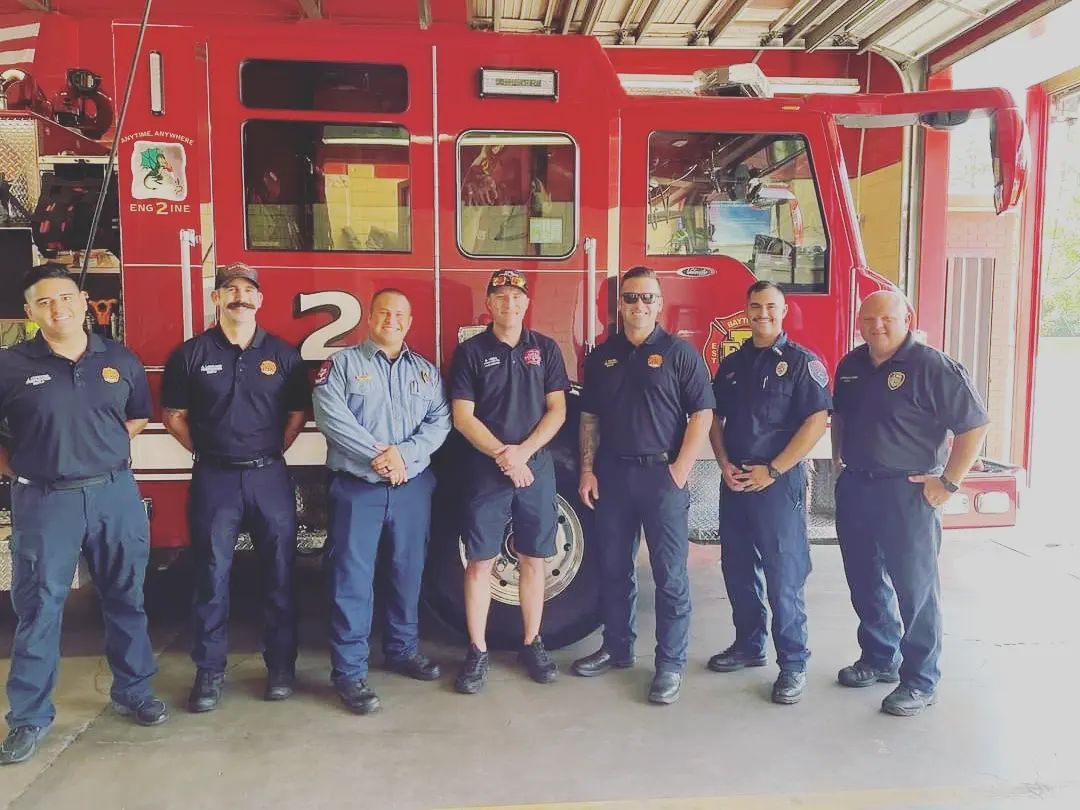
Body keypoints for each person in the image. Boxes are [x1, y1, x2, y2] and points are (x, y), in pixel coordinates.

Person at [0, 264, 168, 766]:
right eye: (45, 302)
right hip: (45, 500)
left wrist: (103, 452)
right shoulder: (9, 365)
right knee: (40, 607)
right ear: (30, 312)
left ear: (84, 301)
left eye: (66, 297)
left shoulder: (118, 359)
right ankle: (28, 718)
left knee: (126, 597)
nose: (59, 308)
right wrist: (27, 469)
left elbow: (137, 415)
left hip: (114, 495)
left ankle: (134, 690)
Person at [832, 289, 989, 716]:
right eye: (867, 320)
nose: (875, 327)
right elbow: (840, 418)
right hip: (858, 488)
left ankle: (920, 679)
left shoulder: (932, 366)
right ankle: (880, 657)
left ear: (907, 318)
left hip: (908, 493)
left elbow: (974, 426)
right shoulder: (851, 366)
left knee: (914, 588)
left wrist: (949, 483)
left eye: (885, 318)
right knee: (864, 580)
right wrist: (840, 464)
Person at [162, 262, 307, 712]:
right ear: (216, 298)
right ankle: (208, 674)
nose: (240, 297)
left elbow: (297, 414)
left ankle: (281, 668)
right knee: (210, 577)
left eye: (248, 290)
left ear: (260, 300)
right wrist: (210, 453)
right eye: (230, 289)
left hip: (269, 478)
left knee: (280, 576)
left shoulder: (284, 355)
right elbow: (173, 417)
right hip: (214, 479)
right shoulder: (189, 354)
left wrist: (267, 454)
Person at [573, 265, 714, 705]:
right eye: (631, 297)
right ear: (620, 305)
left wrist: (681, 469)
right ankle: (617, 649)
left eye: (647, 298)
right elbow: (589, 417)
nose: (639, 305)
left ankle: (669, 665)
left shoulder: (680, 353)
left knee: (670, 576)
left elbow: (702, 414)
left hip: (662, 478)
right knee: (614, 570)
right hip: (613, 475)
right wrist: (588, 469)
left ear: (659, 304)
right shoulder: (602, 356)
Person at [312, 289, 451, 714]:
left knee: (406, 573)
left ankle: (402, 649)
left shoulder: (427, 373)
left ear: (410, 321)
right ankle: (350, 674)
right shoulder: (341, 365)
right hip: (358, 490)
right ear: (369, 317)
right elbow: (331, 417)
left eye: (400, 315)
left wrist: (402, 456)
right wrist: (380, 456)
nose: (392, 320)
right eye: (384, 312)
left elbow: (440, 422)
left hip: (411, 488)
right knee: (352, 581)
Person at [707, 280, 831, 704]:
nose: (763, 314)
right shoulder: (732, 364)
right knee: (737, 568)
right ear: (746, 311)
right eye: (755, 306)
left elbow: (816, 421)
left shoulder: (800, 363)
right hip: (737, 481)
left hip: (777, 484)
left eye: (770, 307)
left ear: (784, 310)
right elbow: (713, 418)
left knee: (784, 575)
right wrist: (723, 463)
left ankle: (793, 664)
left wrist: (775, 470)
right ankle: (749, 644)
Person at [449, 269, 569, 694]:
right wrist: (504, 455)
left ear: (526, 303)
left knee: (534, 558)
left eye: (516, 296)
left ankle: (531, 642)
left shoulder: (547, 349)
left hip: (534, 468)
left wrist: (523, 453)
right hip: (486, 471)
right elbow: (463, 416)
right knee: (479, 561)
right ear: (490, 304)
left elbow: (557, 410)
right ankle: (477, 650)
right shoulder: (470, 352)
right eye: (501, 297)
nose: (510, 304)